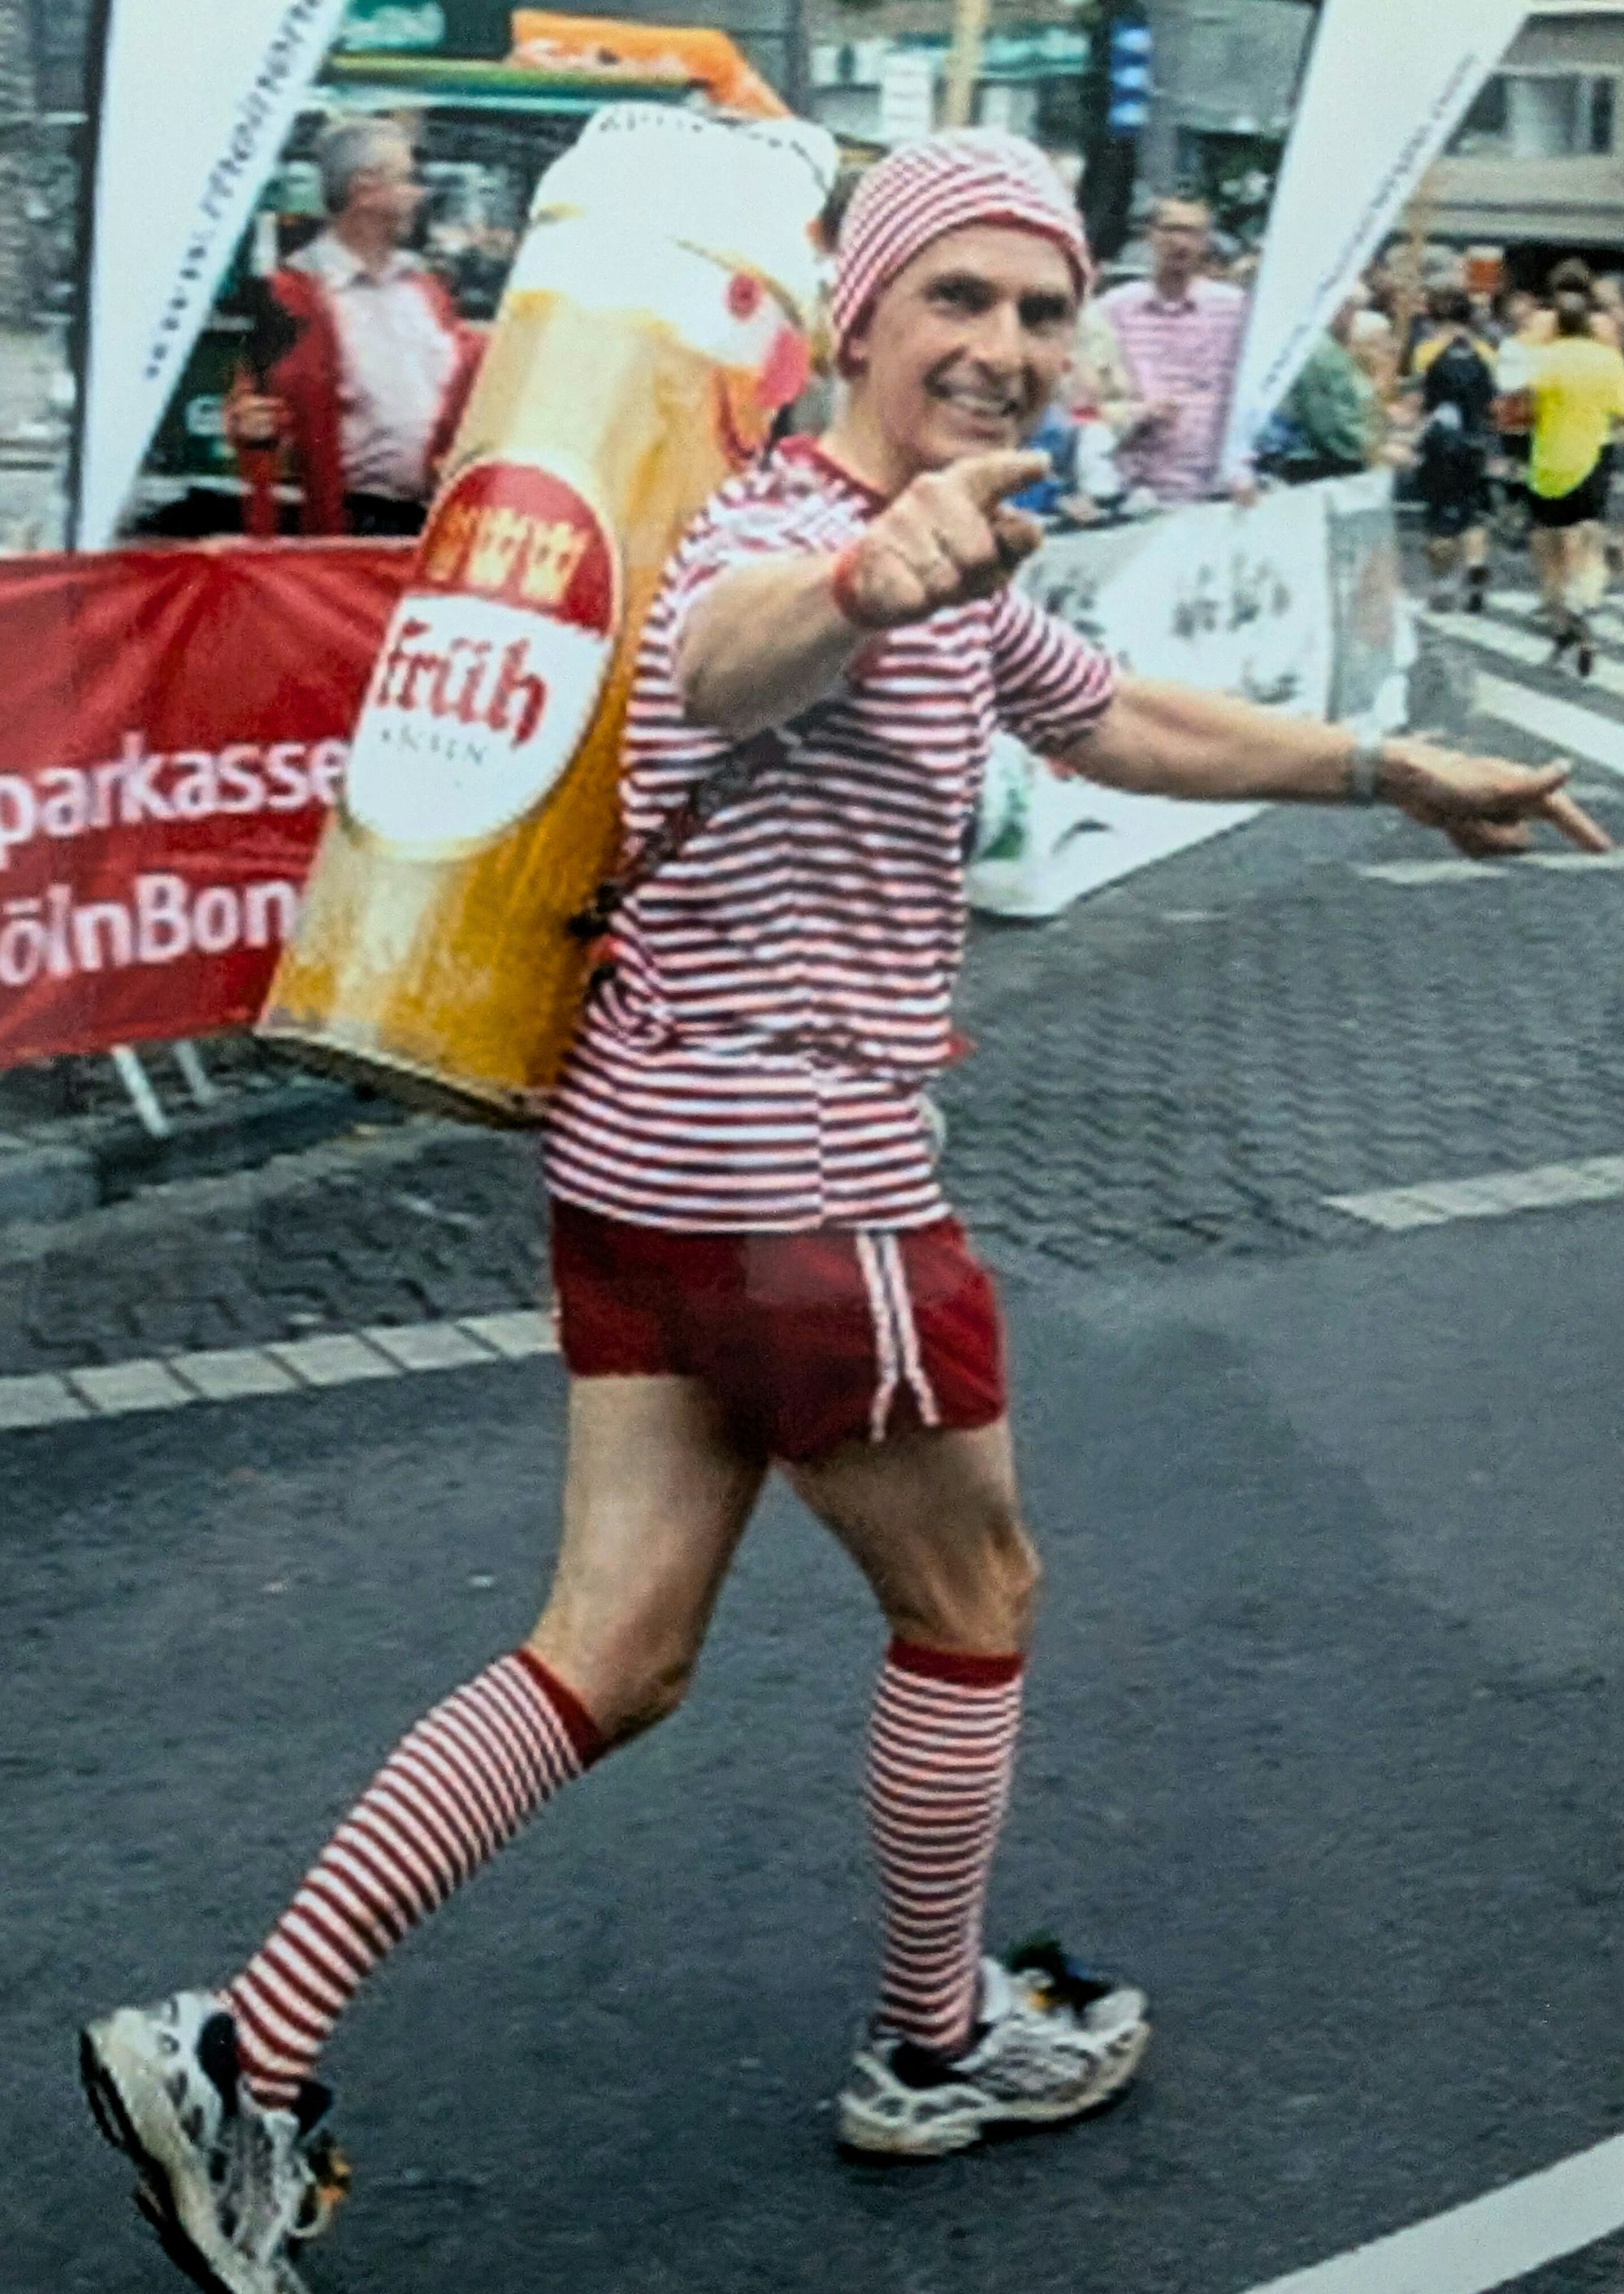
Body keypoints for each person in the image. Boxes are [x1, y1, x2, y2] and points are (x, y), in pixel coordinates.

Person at [80, 128, 1609, 2294]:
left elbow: (1120, 718)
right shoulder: (787, 533)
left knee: (606, 1647)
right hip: (801, 1187)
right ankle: (925, 2043)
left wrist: (1387, 766)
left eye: (1037, 308)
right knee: (972, 1592)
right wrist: (870, 583)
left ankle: (239, 2051)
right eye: (954, 300)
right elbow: (728, 656)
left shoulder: (952, 561)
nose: (999, 344)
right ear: (854, 321)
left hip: (636, 1170)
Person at [225, 119, 484, 537]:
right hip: (350, 525)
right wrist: (251, 425)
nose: (417, 196)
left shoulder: (425, 289)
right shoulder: (291, 295)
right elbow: (254, 407)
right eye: (406, 181)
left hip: (436, 522)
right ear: (364, 190)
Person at [1094, 196, 1252, 504]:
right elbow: (1084, 406)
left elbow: (1251, 395)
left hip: (1216, 485)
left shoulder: (1234, 310)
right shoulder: (1115, 309)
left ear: (1206, 241)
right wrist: (1134, 413)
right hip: (1133, 487)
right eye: (1171, 229)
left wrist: (1241, 468)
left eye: (1193, 232)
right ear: (1151, 236)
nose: (1180, 242)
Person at [1527, 280, 1624, 672]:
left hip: (1546, 465)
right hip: (1592, 461)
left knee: (1548, 553)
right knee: (1589, 541)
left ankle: (1562, 627)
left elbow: (1522, 410)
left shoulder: (1542, 359)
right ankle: (1584, 600)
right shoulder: (1609, 361)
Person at [1410, 289, 1497, 612]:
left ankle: (1443, 585)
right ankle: (1475, 566)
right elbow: (1493, 400)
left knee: (1439, 516)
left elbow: (1418, 398)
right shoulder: (1485, 351)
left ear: (1434, 318)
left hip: (1439, 445)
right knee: (1473, 510)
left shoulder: (1426, 352)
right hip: (1475, 441)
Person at [1267, 295, 1382, 487]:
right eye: (1352, 309)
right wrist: (1371, 451)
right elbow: (1329, 420)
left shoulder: (1320, 345)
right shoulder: (1321, 350)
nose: (1354, 318)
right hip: (1314, 463)